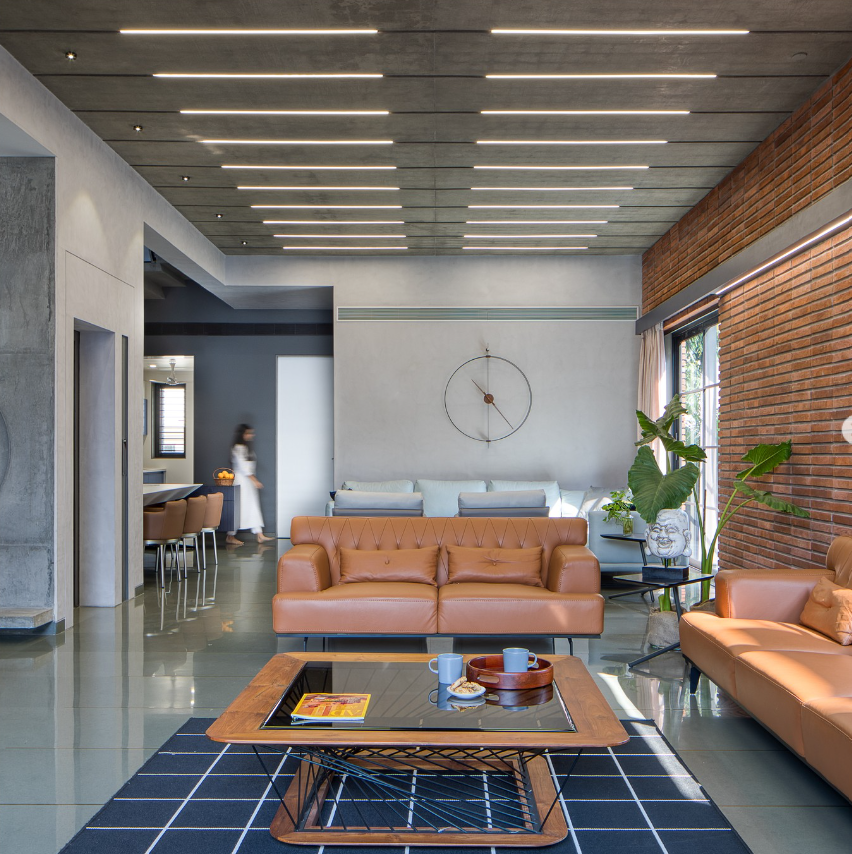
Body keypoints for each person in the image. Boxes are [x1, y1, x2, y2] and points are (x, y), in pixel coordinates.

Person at [225, 424, 275, 545]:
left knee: (253, 506)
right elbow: (243, 467)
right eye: (249, 433)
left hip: (248, 482)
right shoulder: (238, 448)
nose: (251, 435)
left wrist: (253, 480)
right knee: (239, 507)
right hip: (241, 481)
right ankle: (230, 536)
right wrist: (254, 480)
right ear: (242, 434)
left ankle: (259, 534)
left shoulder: (245, 448)